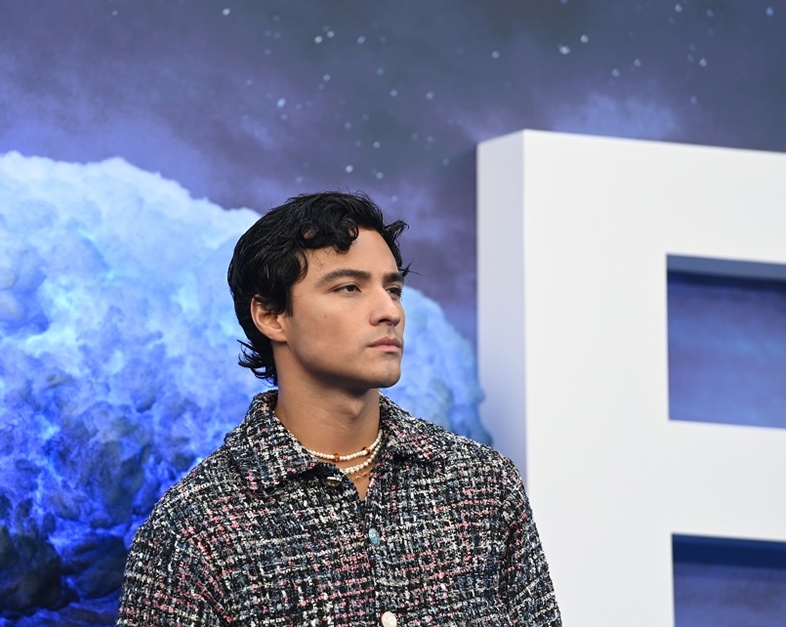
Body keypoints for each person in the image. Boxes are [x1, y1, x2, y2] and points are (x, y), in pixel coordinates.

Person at [117, 192, 561, 625]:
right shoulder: (194, 528)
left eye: (393, 289)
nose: (389, 311)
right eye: (349, 287)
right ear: (271, 316)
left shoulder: (483, 484)